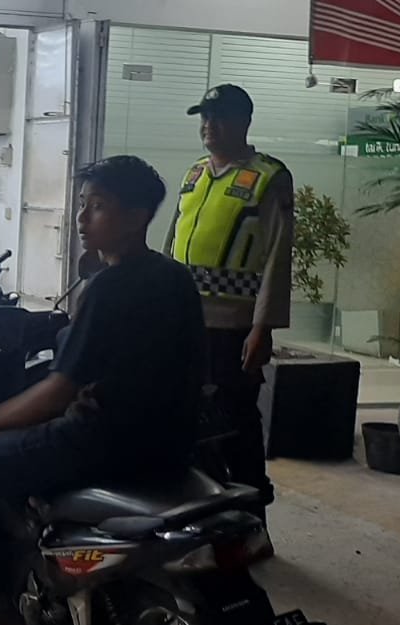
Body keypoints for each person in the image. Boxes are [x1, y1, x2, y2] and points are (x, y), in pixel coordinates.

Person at [0, 156, 206, 625]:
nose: (82, 218)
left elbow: (58, 391)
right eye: (82, 204)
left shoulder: (110, 288)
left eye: (98, 206)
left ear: (137, 217)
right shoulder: (174, 277)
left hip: (97, 444)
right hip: (171, 447)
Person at [165, 84, 293, 527]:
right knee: (187, 421)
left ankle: (251, 523)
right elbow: (172, 244)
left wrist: (263, 327)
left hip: (233, 328)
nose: (209, 126)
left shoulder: (268, 177)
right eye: (204, 118)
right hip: (184, 323)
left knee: (235, 423)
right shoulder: (194, 174)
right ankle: (202, 520)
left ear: (244, 122)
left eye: (219, 118)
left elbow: (278, 255)